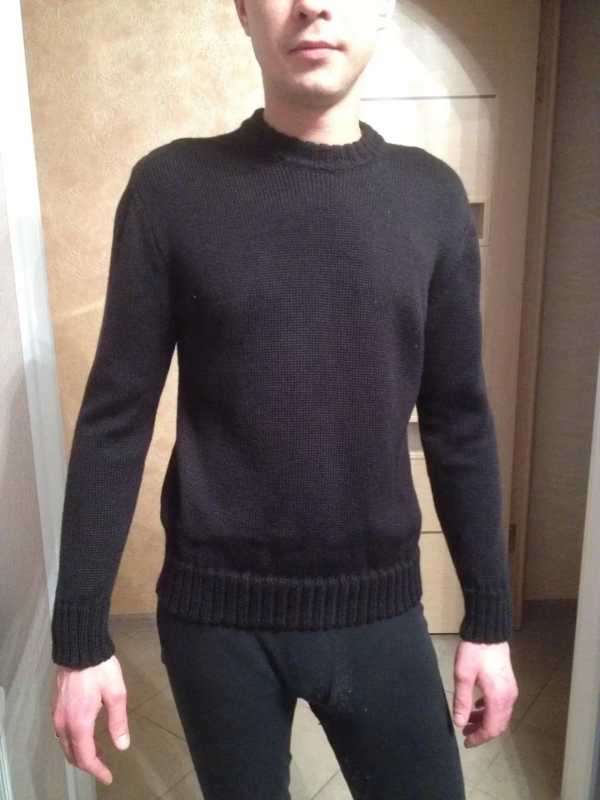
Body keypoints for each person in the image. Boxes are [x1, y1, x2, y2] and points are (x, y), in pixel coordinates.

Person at [50, 0, 519, 797]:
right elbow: (115, 421)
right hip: (215, 621)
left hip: (381, 612)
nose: (313, 5)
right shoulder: (171, 189)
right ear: (242, 9)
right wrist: (79, 635)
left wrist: (489, 618)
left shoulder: (431, 197)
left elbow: (459, 422)